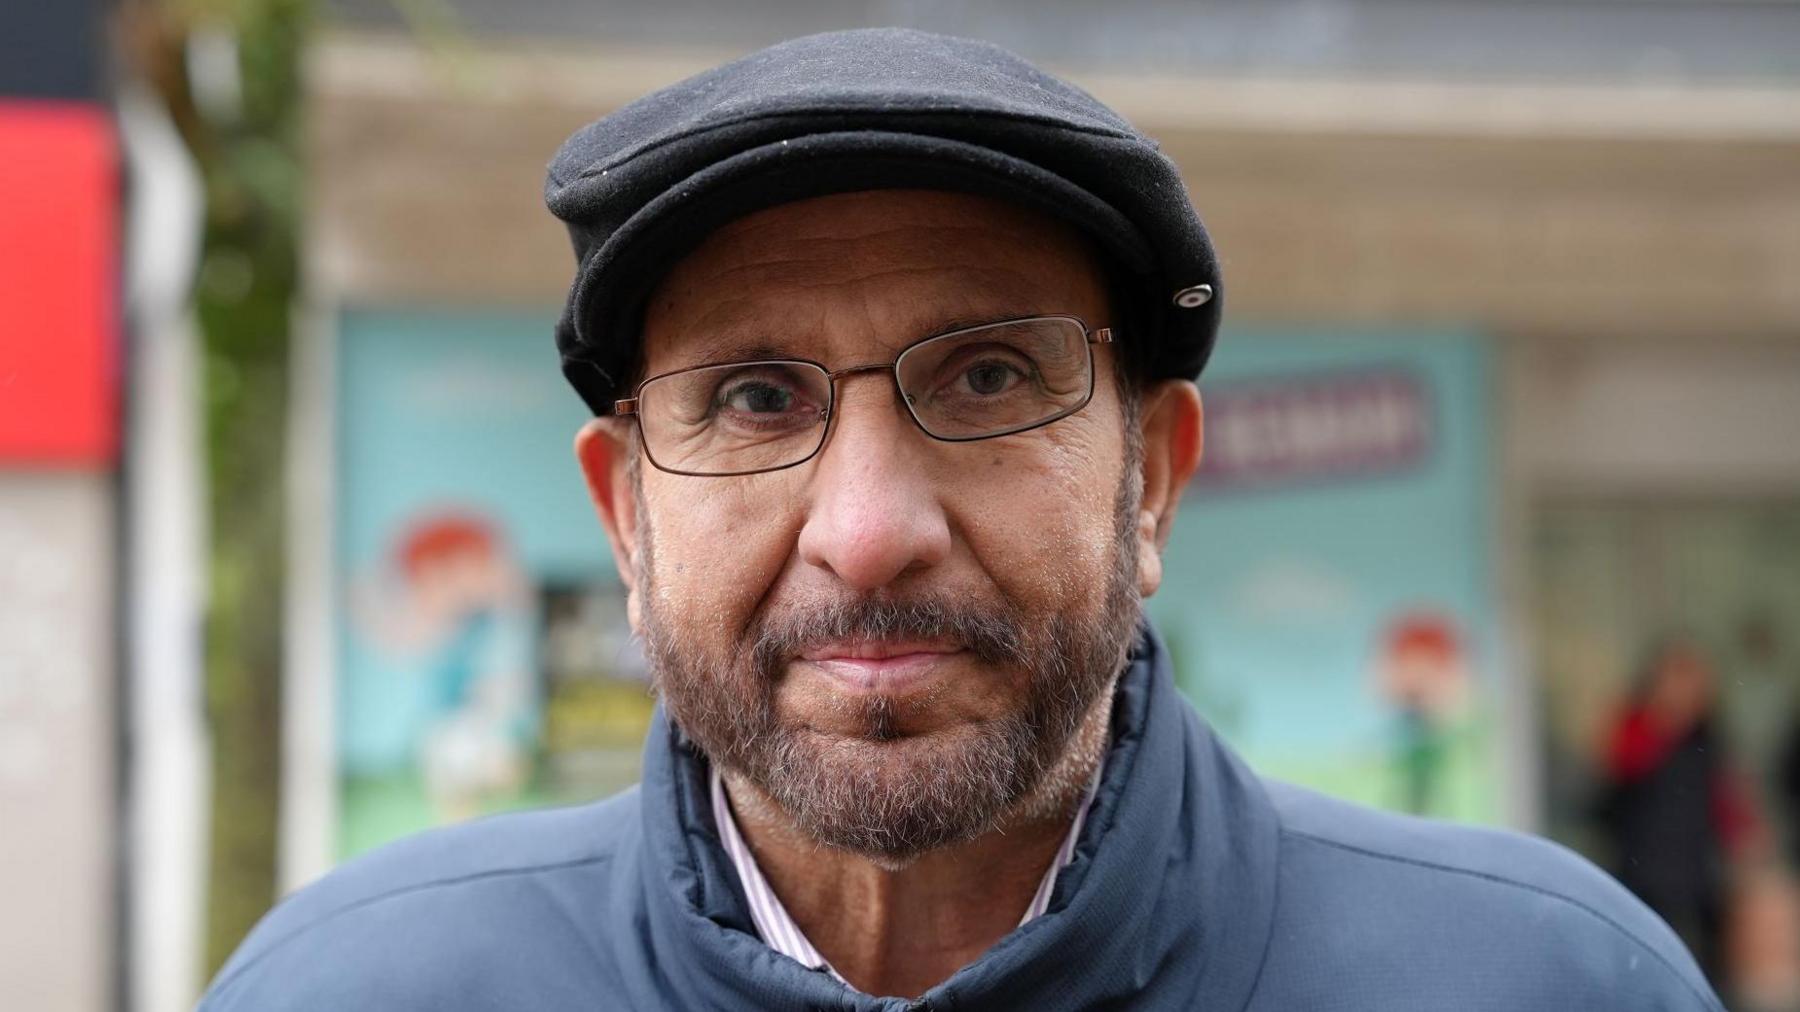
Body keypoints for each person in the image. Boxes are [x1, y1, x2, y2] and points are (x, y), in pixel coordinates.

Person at [201, 28, 1720, 1010]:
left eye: (989, 375)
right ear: (626, 514)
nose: (866, 532)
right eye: (753, 398)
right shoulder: (353, 990)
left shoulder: (1546, 984)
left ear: (1155, 483)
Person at [1597, 638, 1761, 987]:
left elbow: (1725, 799)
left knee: (1704, 964)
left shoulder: (1708, 737)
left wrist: (1744, 838)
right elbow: (1617, 775)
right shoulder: (1637, 727)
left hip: (1695, 872)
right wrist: (1662, 723)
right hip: (1644, 871)